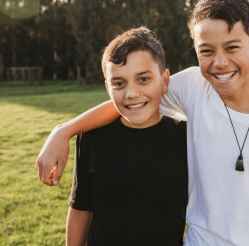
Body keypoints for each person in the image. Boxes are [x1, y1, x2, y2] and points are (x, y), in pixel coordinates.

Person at [38, 0, 249, 245]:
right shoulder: (193, 87)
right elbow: (135, 99)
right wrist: (64, 131)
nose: (219, 62)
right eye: (206, 50)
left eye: (232, 47)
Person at [65, 28, 188, 245]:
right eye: (119, 83)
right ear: (107, 88)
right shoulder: (92, 137)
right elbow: (81, 208)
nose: (131, 93)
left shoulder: (185, 137)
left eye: (143, 79)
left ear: (164, 79)